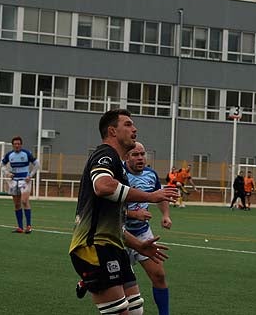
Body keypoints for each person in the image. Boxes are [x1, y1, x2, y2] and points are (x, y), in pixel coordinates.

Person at [69, 109, 178, 315]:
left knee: (135, 309)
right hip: (94, 248)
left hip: (114, 246)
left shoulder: (117, 164)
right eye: (127, 124)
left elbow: (114, 222)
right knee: (120, 312)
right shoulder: (105, 154)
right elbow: (102, 186)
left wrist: (139, 246)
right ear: (112, 131)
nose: (134, 129)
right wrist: (150, 196)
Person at [124, 142, 172, 315]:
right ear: (126, 157)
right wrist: (133, 214)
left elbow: (160, 196)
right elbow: (108, 208)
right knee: (119, 285)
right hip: (120, 234)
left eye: (143, 154)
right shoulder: (118, 175)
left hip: (143, 233)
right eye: (135, 155)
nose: (140, 158)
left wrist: (165, 215)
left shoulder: (151, 174)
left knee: (159, 275)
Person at [0, 136, 39, 233]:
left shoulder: (26, 154)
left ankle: (29, 226)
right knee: (17, 204)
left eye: (18, 144)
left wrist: (30, 175)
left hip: (24, 181)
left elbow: (37, 164)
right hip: (14, 182)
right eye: (15, 144)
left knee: (24, 201)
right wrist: (7, 173)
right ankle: (20, 227)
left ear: (21, 145)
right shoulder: (9, 155)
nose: (17, 145)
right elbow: (1, 165)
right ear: (13, 145)